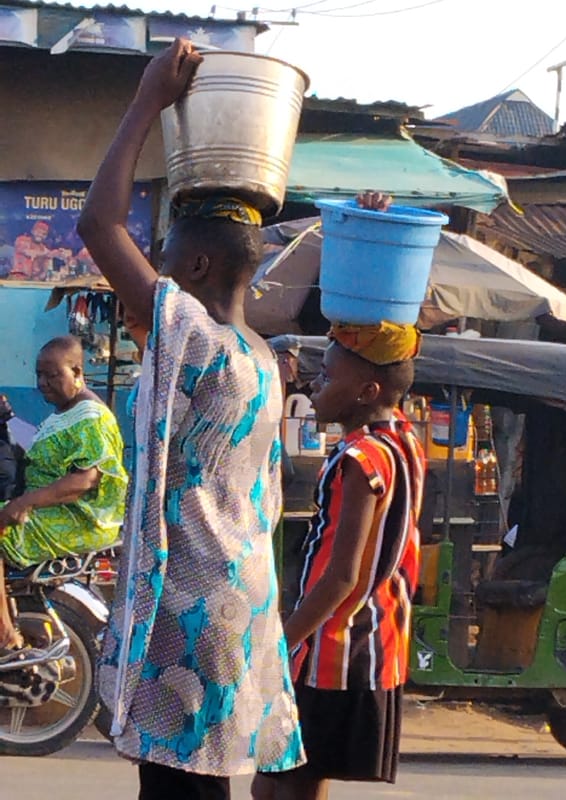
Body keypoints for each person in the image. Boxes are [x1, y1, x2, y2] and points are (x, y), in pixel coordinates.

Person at [77, 38, 304, 799]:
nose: (156, 268)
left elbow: (97, 224)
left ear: (198, 266)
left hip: (190, 606)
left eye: (166, 255)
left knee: (180, 793)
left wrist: (148, 98)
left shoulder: (198, 337)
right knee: (198, 789)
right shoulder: (260, 358)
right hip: (236, 601)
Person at [253, 211, 425, 800]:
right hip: (373, 645)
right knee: (295, 783)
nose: (313, 387)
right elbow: (389, 334)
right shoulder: (403, 441)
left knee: (280, 786)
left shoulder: (362, 458)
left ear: (366, 391)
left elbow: (342, 575)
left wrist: (283, 640)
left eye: (326, 378)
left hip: (334, 649)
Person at [0, 335, 127, 651]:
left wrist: (23, 503)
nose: (43, 383)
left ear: (77, 372)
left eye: (53, 375)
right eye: (39, 375)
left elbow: (84, 480)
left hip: (78, 519)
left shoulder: (91, 417)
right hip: (53, 512)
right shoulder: (66, 412)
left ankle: (5, 635)